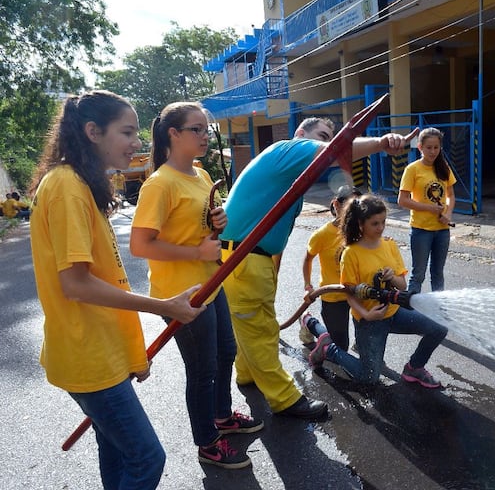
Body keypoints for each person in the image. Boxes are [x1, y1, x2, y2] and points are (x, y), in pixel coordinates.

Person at [28, 90, 206, 489]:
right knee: (146, 458)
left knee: (118, 452)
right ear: (93, 131)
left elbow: (99, 277)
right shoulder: (67, 186)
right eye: (127, 132)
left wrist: (128, 349)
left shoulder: (77, 184)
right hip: (86, 353)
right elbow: (75, 284)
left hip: (98, 347)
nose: (138, 143)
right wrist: (162, 305)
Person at [220, 117, 417, 419]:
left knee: (256, 327)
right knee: (260, 331)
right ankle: (285, 400)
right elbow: (334, 151)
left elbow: (276, 237)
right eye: (322, 136)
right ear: (302, 133)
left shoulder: (289, 182)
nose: (327, 143)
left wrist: (271, 272)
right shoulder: (288, 148)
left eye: (329, 137)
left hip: (249, 260)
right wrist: (381, 143)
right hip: (243, 259)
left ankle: (248, 374)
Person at [130, 101, 262, 470]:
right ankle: (207, 442)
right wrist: (195, 250)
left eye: (207, 129)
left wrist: (218, 220)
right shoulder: (159, 184)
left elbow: (205, 223)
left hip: (211, 283)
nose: (205, 136)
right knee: (202, 370)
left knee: (226, 353)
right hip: (181, 297)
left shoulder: (201, 175)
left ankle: (222, 416)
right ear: (173, 134)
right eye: (196, 129)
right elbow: (140, 245)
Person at [300, 194, 448, 388]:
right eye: (375, 223)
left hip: (394, 313)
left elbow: (402, 286)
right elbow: (349, 293)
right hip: (369, 322)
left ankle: (414, 368)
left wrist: (392, 277)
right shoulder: (351, 253)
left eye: (383, 222)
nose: (381, 228)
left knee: (439, 328)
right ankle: (329, 349)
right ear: (361, 224)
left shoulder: (389, 245)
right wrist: (367, 315)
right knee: (369, 378)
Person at [301, 184, 362, 350]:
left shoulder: (363, 230)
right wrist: (308, 286)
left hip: (358, 291)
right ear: (336, 205)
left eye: (358, 205)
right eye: (349, 205)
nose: (354, 210)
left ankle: (361, 342)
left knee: (366, 340)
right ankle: (308, 322)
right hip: (333, 295)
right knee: (339, 347)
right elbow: (308, 259)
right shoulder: (322, 235)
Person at [397, 127, 456, 293]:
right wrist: (429, 208)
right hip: (421, 230)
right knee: (418, 274)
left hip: (442, 230)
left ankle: (439, 309)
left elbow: (451, 195)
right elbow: (402, 200)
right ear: (420, 147)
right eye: (428, 147)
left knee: (438, 273)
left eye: (436, 147)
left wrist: (448, 212)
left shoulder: (444, 167)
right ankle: (411, 310)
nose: (433, 151)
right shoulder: (412, 169)